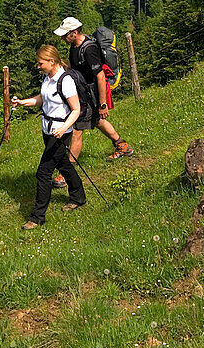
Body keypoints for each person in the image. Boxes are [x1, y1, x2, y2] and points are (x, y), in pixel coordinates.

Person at [11, 44, 87, 230]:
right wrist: (22, 102)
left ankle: (37, 217)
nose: (39, 66)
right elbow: (43, 99)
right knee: (63, 165)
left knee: (43, 173)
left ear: (51, 61)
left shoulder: (65, 81)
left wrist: (63, 129)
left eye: (41, 63)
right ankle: (79, 197)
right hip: (48, 129)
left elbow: (76, 109)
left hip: (59, 132)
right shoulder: (48, 78)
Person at [54, 16, 133, 162]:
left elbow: (101, 77)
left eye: (65, 35)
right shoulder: (75, 47)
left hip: (92, 94)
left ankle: (67, 172)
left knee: (77, 130)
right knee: (98, 121)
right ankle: (122, 145)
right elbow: (75, 68)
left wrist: (103, 104)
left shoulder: (89, 49)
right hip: (83, 92)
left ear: (75, 32)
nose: (63, 38)